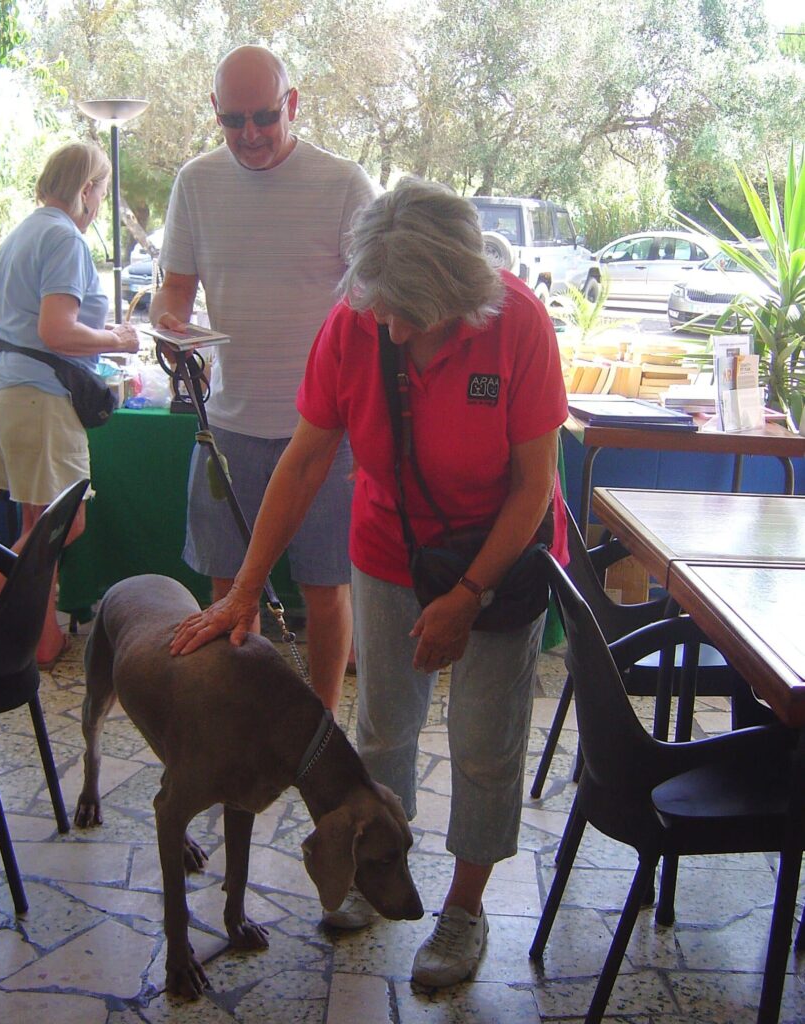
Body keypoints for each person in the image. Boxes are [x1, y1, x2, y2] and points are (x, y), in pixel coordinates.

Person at [168, 177, 570, 988]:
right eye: (381, 305)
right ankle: (371, 860)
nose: (390, 325)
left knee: (484, 743)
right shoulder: (355, 322)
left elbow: (535, 484)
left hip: (502, 556)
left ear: (456, 294)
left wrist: (468, 597)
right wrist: (244, 588)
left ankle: (463, 910)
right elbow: (305, 460)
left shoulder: (517, 323)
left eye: (408, 311)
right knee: (385, 726)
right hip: (392, 549)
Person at [150, 44, 377, 711]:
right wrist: (169, 328)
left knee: (325, 590)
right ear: (215, 111)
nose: (249, 133)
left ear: (292, 104)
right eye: (233, 119)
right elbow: (174, 292)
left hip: (325, 433)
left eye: (264, 117)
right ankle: (236, 720)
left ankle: (322, 725)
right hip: (229, 424)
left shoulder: (344, 183)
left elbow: (374, 302)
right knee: (227, 592)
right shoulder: (195, 182)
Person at [0, 141, 140, 666]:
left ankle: (42, 639)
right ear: (87, 189)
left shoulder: (20, 235)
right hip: (39, 395)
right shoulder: (65, 238)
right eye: (101, 192)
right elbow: (56, 331)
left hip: (4, 388)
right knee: (62, 524)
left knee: (36, 520)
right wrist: (117, 339)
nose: (99, 205)